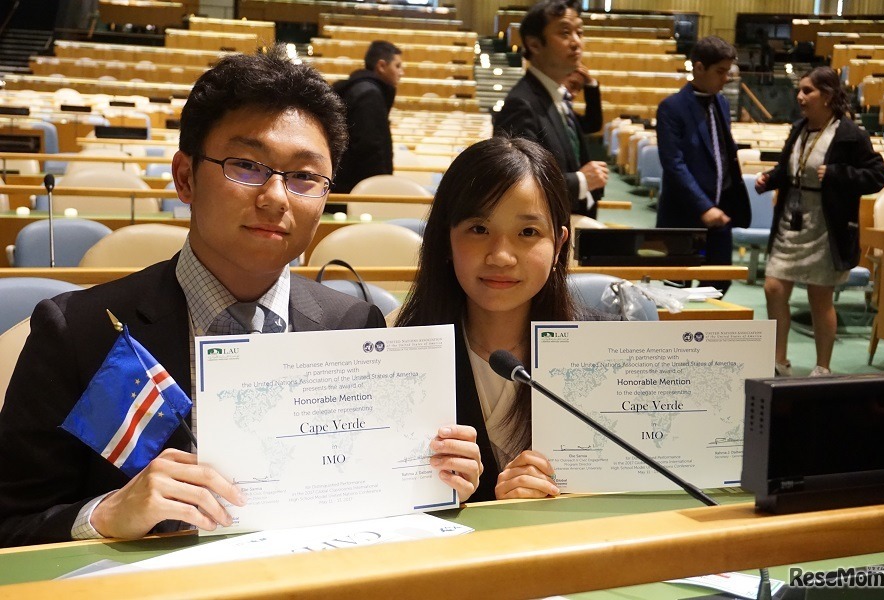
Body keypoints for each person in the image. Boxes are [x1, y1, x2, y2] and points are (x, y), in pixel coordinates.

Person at [0, 46, 480, 548]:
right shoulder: (79, 332)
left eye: (303, 177)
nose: (275, 197)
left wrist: (434, 479)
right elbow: (11, 525)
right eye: (246, 165)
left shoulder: (353, 326)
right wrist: (106, 514)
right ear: (185, 177)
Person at [394, 136, 618, 502]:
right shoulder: (398, 361)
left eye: (528, 232)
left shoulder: (607, 354)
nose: (501, 256)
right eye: (479, 229)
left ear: (559, 245)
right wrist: (437, 499)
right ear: (446, 240)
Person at [756, 66, 884, 377]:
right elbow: (789, 169)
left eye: (807, 91)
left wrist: (838, 173)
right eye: (799, 90)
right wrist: (769, 180)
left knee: (819, 297)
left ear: (827, 96)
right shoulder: (799, 128)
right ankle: (779, 360)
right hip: (791, 218)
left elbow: (878, 175)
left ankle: (822, 367)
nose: (800, 96)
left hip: (827, 224)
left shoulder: (850, 134)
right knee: (773, 287)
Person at [494, 0, 608, 219]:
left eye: (579, 32)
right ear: (535, 45)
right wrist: (581, 180)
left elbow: (590, 127)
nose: (576, 42)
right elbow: (516, 184)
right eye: (565, 33)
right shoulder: (522, 104)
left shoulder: (555, 95)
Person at [656, 36, 751, 295]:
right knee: (677, 286)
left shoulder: (720, 102)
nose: (726, 78)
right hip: (684, 214)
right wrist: (704, 207)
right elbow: (674, 164)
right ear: (699, 68)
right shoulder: (671, 107)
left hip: (720, 214)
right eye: (720, 72)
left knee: (719, 281)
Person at [331, 40, 403, 195]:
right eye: (397, 66)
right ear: (382, 66)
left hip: (348, 181)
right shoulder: (369, 94)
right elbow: (371, 147)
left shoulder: (362, 89)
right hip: (357, 186)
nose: (401, 72)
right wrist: (380, 189)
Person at [563, 63, 603, 136]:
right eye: (572, 85)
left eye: (579, 89)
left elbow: (593, 125)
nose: (575, 94)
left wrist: (590, 83)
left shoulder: (567, 114)